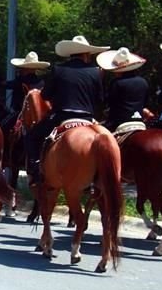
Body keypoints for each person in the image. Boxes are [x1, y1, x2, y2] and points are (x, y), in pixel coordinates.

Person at [25, 35, 109, 187]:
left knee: (32, 136)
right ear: (86, 54)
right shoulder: (95, 72)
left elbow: (45, 95)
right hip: (88, 119)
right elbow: (100, 100)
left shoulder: (59, 69)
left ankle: (36, 170)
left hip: (62, 116)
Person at [96, 47, 148, 131]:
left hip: (119, 121)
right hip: (139, 120)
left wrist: (100, 80)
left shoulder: (116, 83)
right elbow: (144, 103)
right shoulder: (143, 82)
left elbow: (109, 102)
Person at [1, 51, 50, 134]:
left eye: (22, 68)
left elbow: (8, 84)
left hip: (21, 112)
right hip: (40, 114)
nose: (20, 70)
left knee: (3, 125)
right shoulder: (41, 82)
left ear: (26, 68)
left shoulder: (20, 80)